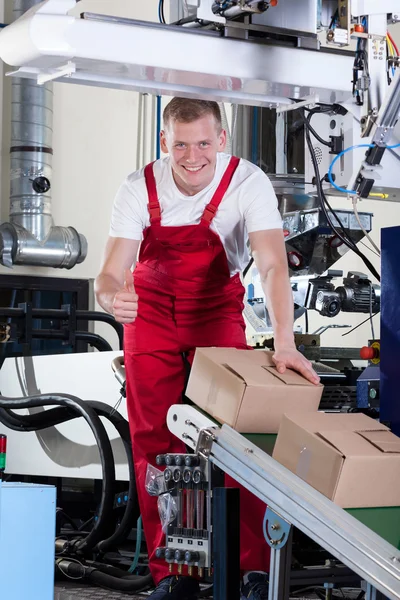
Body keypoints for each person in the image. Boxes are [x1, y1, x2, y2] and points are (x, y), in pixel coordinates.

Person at [95, 97, 320, 600]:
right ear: (164, 142)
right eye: (180, 144)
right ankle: (173, 574)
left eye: (202, 143)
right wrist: (112, 297)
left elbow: (272, 264)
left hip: (216, 311)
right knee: (156, 442)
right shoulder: (138, 187)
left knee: (235, 439)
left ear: (221, 139)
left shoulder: (248, 182)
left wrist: (284, 341)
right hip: (149, 314)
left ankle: (252, 571)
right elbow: (111, 270)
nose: (192, 156)